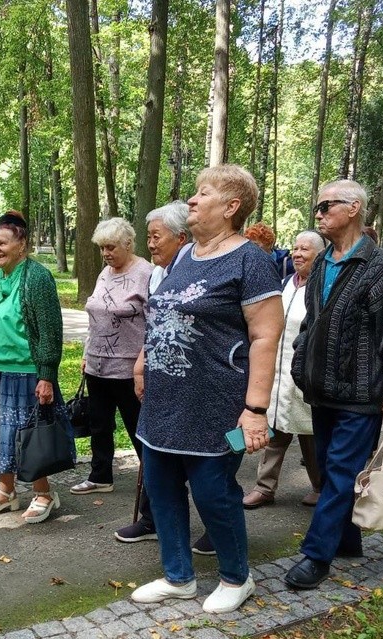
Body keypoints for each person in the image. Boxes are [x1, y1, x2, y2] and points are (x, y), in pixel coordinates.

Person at [130, 165, 284, 614]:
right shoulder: (183, 257)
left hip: (219, 407)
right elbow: (164, 316)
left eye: (203, 193)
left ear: (232, 207)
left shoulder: (250, 260)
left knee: (214, 491)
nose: (191, 201)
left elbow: (266, 338)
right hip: (164, 403)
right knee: (161, 487)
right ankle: (178, 577)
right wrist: (143, 361)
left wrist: (255, 410)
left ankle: (238, 577)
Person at [286, 179, 383, 591]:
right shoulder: (323, 262)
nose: (319, 213)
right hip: (322, 389)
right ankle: (348, 540)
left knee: (341, 473)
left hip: (361, 393)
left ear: (354, 208)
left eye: (327, 206)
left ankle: (315, 556)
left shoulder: (378, 266)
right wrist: (300, 360)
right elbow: (311, 321)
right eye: (318, 206)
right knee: (328, 470)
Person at [114, 201, 210, 555]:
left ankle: (217, 527)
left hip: (196, 382)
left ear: (181, 237)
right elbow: (154, 327)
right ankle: (152, 518)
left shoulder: (200, 274)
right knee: (156, 454)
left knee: (202, 464)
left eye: (156, 236)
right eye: (149, 237)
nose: (150, 244)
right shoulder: (158, 273)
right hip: (160, 376)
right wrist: (141, 365)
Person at [0, 211, 71, 523]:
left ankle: (44, 494)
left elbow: (49, 331)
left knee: (27, 436)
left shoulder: (37, 278)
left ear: (22, 245)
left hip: (26, 373)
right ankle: (6, 491)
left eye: (2, 243)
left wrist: (46, 376)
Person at [243, 230, 325, 510]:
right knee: (275, 431)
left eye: (305, 250)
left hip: (306, 375)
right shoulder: (284, 283)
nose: (297, 254)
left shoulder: (322, 288)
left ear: (319, 255)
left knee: (310, 435)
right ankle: (264, 488)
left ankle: (320, 486)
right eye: (295, 248)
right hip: (278, 373)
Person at [71, 218, 152, 495]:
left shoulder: (147, 273)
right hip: (97, 364)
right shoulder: (105, 273)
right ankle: (100, 476)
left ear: (128, 244)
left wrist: (144, 365)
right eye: (102, 248)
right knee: (99, 425)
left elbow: (155, 324)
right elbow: (96, 316)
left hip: (129, 368)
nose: (106, 253)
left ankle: (154, 480)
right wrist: (86, 353)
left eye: (110, 247)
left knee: (137, 426)